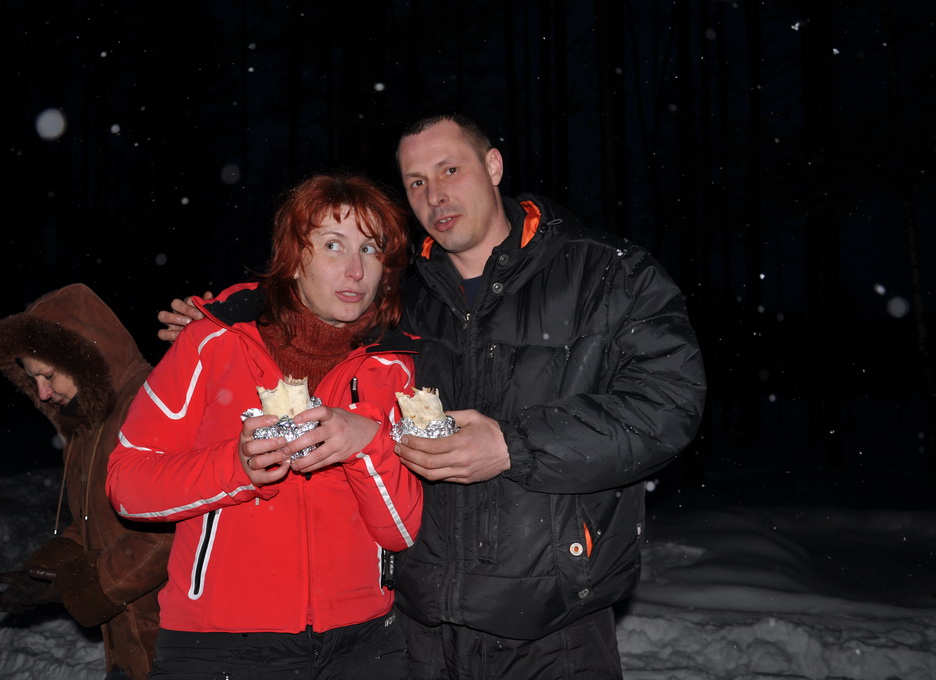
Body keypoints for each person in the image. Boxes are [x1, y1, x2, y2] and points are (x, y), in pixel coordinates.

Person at [157, 115, 707, 679]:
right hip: (419, 628)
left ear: (493, 166)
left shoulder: (606, 273)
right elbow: (309, 297)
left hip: (553, 626)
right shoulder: (405, 296)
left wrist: (513, 444)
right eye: (416, 181)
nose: (434, 195)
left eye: (450, 170)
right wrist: (221, 317)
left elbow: (669, 405)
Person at [106, 172, 423, 679]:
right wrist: (236, 468)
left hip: (364, 642)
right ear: (294, 259)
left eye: (370, 250)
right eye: (333, 245)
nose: (355, 269)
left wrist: (367, 444)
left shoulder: (393, 365)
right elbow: (127, 484)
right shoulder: (212, 343)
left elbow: (400, 530)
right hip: (220, 645)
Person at [0, 283, 173, 680]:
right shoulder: (87, 424)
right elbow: (98, 519)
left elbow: (165, 536)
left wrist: (83, 586)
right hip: (129, 640)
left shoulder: (147, 406)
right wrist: (45, 571)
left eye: (48, 375)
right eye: (32, 379)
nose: (42, 393)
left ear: (84, 356)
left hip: (173, 640)